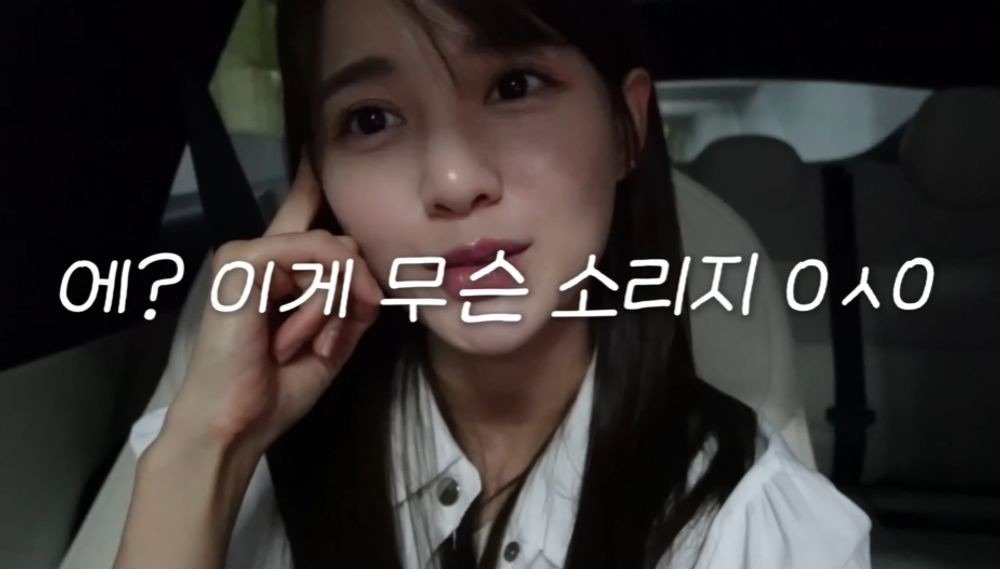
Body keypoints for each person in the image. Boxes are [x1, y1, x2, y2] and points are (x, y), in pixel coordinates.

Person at [113, 0, 872, 568]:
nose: (453, 181)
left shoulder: (761, 530)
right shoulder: (229, 465)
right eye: (371, 119)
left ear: (626, 128)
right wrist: (207, 447)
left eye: (515, 85)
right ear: (321, 178)